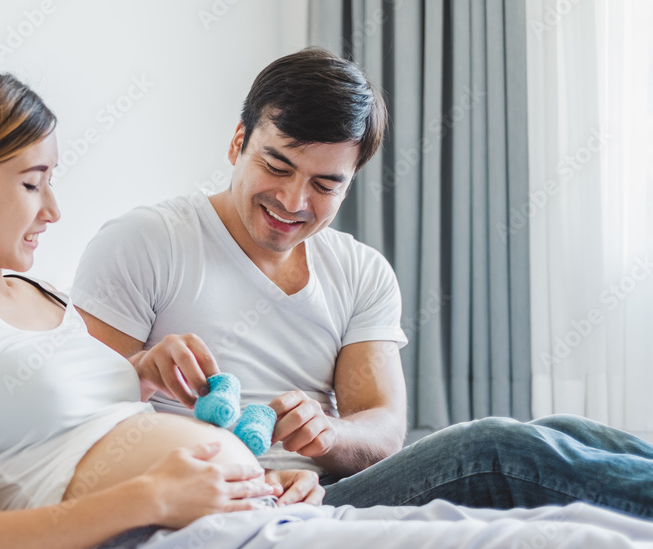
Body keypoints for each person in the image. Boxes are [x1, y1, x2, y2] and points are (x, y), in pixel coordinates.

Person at [0, 67, 653, 549]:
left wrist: (170, 394)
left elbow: (94, 421)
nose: (56, 207)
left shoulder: (38, 298)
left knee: (581, 522)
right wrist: (156, 490)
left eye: (54, 178)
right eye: (33, 181)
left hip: (253, 512)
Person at [70, 47, 653, 520]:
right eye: (276, 166)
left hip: (319, 495)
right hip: (224, 505)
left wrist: (328, 437)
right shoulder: (147, 241)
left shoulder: (360, 270)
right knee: (495, 449)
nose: (293, 202)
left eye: (326, 184)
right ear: (237, 142)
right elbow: (74, 426)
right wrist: (148, 380)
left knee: (563, 431)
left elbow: (381, 425)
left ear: (351, 183)